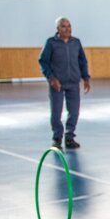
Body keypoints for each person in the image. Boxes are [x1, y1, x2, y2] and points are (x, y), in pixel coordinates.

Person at [38, 16, 91, 149]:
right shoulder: (51, 43)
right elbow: (43, 62)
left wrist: (86, 78)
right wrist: (51, 78)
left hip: (73, 83)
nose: (67, 29)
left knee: (74, 112)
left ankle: (69, 138)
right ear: (58, 29)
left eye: (69, 26)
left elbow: (82, 61)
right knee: (56, 113)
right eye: (64, 26)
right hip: (57, 84)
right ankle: (57, 139)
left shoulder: (76, 42)